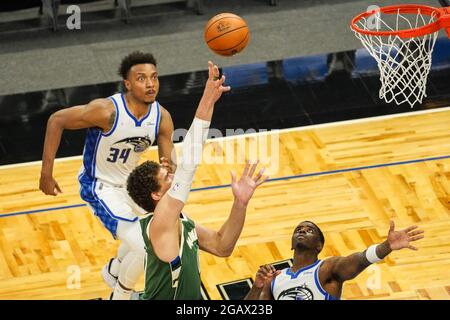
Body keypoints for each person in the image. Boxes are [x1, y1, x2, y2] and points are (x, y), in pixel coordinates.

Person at [39, 51, 176, 299]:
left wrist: (169, 174)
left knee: (158, 231)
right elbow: (56, 120)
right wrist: (46, 173)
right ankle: (121, 293)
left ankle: (114, 271)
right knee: (149, 246)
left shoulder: (161, 118)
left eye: (154, 78)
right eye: (142, 79)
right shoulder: (106, 111)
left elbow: (169, 165)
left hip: (132, 185)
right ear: (128, 84)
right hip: (100, 186)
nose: (150, 84)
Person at [126, 61, 268, 299]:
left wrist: (240, 203)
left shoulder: (181, 221)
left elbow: (222, 246)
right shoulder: (159, 224)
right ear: (156, 195)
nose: (173, 174)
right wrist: (207, 101)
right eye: (166, 177)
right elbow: (187, 167)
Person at [245, 220, 424, 300]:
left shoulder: (326, 269)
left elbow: (359, 260)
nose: (302, 231)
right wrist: (257, 287)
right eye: (298, 229)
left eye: (309, 230)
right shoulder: (275, 278)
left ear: (319, 246)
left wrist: (386, 246)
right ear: (292, 243)